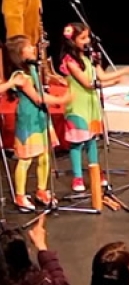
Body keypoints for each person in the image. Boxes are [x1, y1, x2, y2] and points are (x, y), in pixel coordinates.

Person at [59, 22, 129, 192]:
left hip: (91, 103)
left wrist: (122, 73)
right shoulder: (70, 61)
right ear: (72, 41)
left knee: (92, 140)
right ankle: (77, 177)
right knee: (77, 143)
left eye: (88, 37)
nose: (87, 41)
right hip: (78, 105)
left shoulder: (90, 57)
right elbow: (87, 83)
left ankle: (96, 171)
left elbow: (101, 76)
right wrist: (105, 83)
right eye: (83, 38)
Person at [5, 34, 72, 212]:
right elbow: (38, 98)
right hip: (29, 120)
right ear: (20, 53)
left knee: (44, 156)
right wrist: (63, 99)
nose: (32, 48)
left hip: (40, 117)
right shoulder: (21, 76)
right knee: (26, 159)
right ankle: (20, 196)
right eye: (28, 47)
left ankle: (41, 190)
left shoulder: (32, 69)